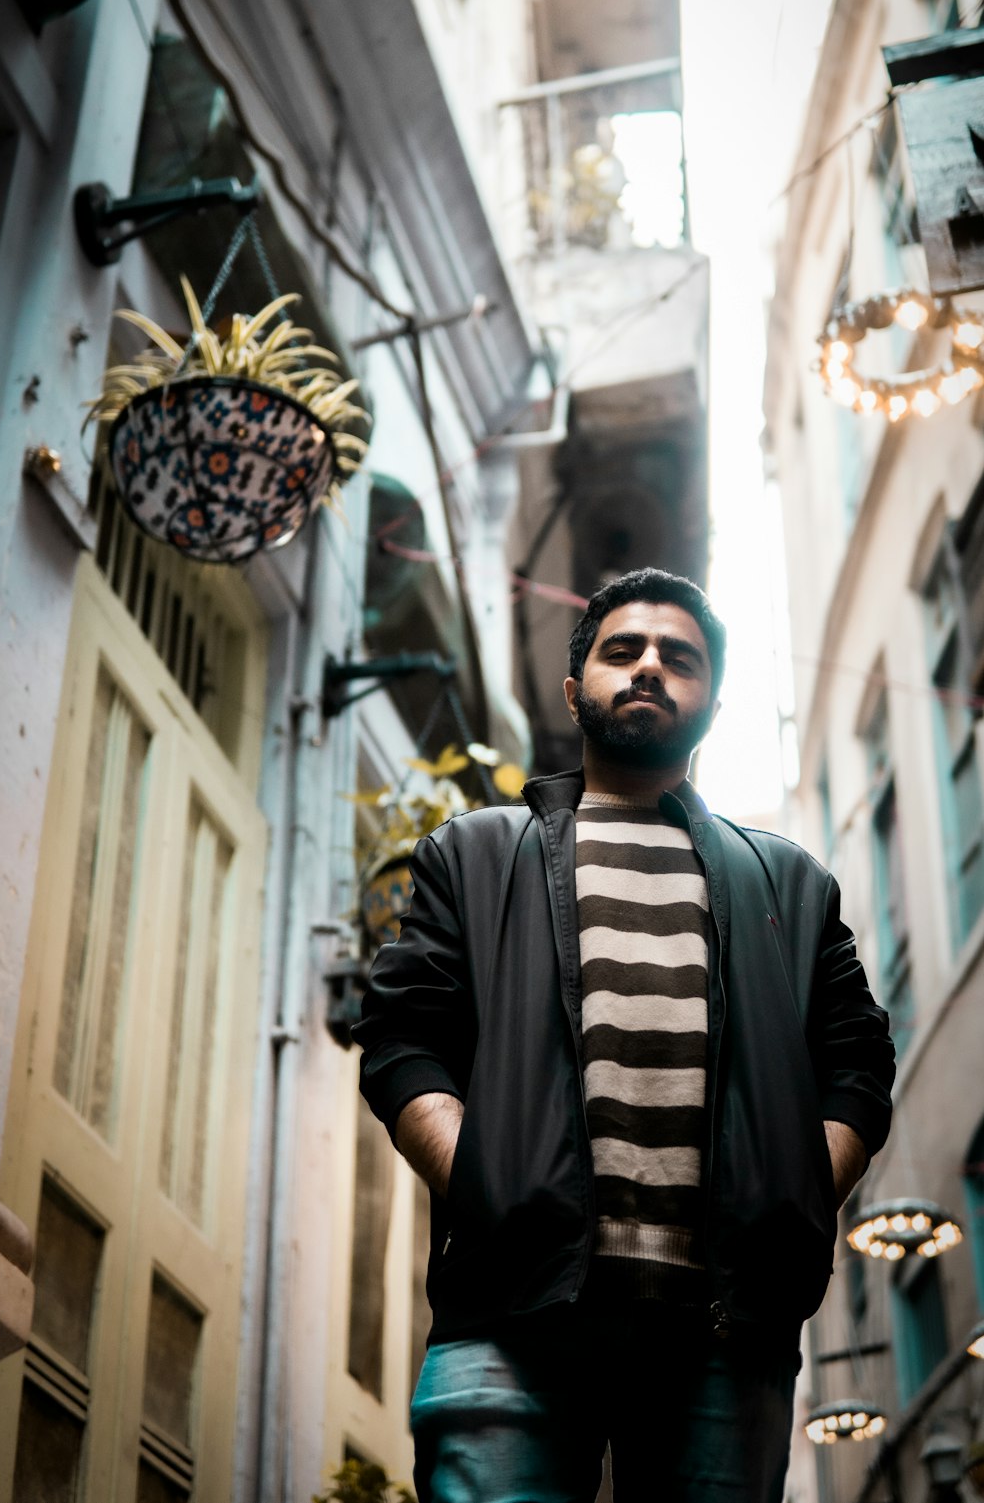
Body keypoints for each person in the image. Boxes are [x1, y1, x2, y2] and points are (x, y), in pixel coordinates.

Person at [355, 568, 894, 1503]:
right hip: (508, 1316)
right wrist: (486, 1183)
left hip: (727, 1329)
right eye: (622, 650)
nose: (649, 666)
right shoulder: (476, 854)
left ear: (711, 702)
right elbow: (404, 1040)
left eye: (677, 657)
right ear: (575, 689)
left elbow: (857, 1065)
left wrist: (791, 1198)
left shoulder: (791, 886)